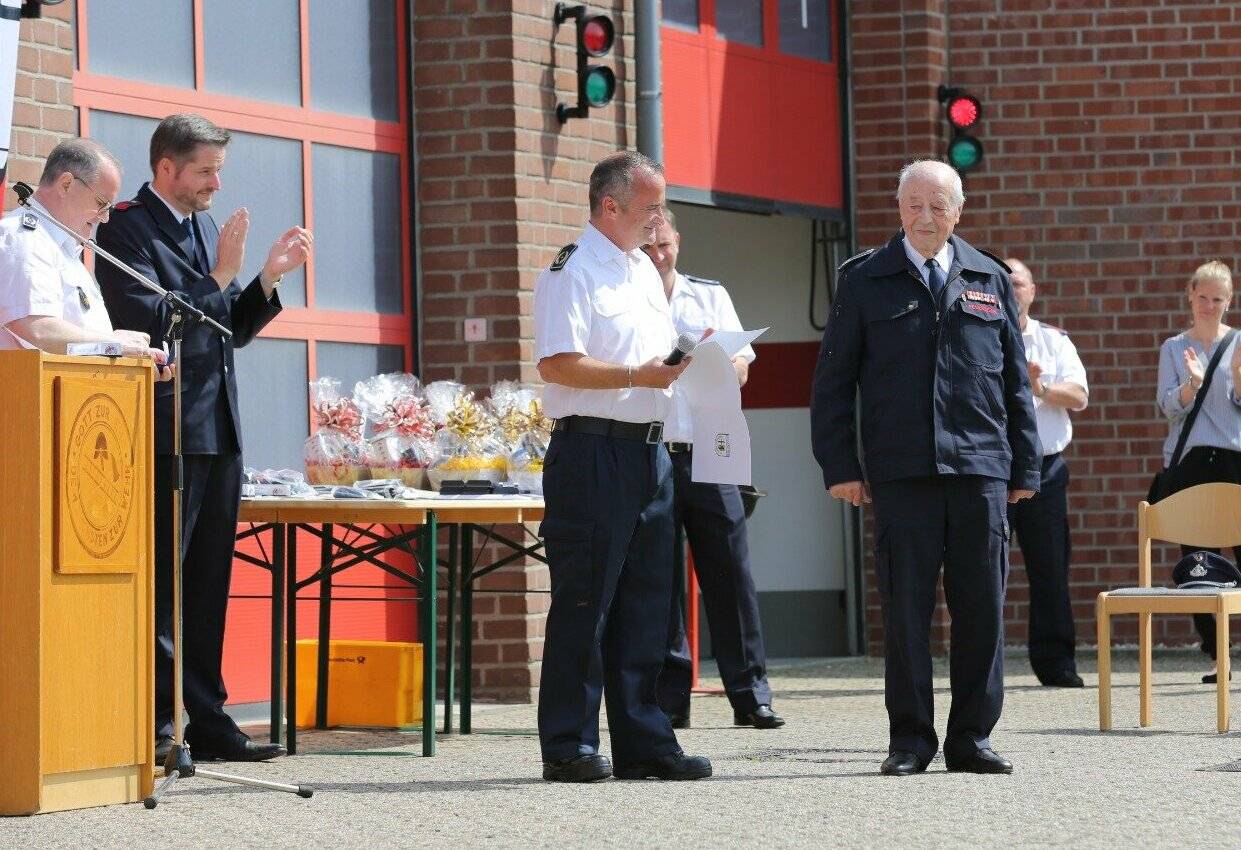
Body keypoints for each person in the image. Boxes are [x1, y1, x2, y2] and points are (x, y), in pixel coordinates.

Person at [810, 159, 1041, 776]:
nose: (925, 217)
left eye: (938, 205)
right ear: (899, 208)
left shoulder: (988, 276)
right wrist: (840, 465)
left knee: (982, 610)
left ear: (957, 212)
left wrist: (1025, 467)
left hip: (979, 471)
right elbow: (833, 383)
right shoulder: (864, 281)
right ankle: (910, 740)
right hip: (901, 473)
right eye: (914, 204)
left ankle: (972, 738)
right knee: (907, 611)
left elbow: (1016, 385)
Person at [96, 113, 313, 763]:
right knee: (165, 587)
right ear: (167, 169)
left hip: (217, 429)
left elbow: (226, 331)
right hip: (167, 433)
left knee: (209, 584)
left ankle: (210, 721)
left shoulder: (205, 229)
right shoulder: (127, 226)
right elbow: (152, 320)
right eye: (206, 171)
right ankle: (160, 728)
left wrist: (265, 279)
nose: (217, 183)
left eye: (219, 170)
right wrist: (220, 275)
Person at [534, 151, 711, 783]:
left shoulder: (641, 270)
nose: (658, 219)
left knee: (647, 604)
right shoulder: (572, 270)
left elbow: (650, 360)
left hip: (650, 450)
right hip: (592, 451)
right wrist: (641, 375)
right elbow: (557, 364)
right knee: (585, 602)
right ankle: (569, 745)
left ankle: (644, 740)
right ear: (610, 206)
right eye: (649, 206)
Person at [641, 210, 783, 730]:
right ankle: (669, 698)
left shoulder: (708, 294)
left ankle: (751, 695)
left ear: (677, 240)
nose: (657, 256)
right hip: (653, 447)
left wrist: (726, 367)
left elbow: (743, 362)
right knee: (660, 576)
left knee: (730, 570)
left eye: (664, 245)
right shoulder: (626, 298)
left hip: (710, 446)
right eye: (648, 247)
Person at [0, 137, 169, 375]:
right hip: (26, 403)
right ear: (66, 184)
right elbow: (38, 329)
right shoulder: (25, 237)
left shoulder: (65, 249)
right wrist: (116, 345)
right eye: (101, 203)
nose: (105, 217)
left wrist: (131, 363)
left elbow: (76, 346)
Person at [1155, 260, 1241, 684]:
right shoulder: (1174, 347)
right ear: (1190, 295)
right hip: (1190, 462)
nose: (1209, 305)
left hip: (1235, 459)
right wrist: (1191, 384)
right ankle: (1216, 655)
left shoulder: (1240, 344)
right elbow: (1168, 406)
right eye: (1202, 297)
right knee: (1199, 563)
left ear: (1230, 301)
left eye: (1218, 299)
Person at [1005, 258, 1088, 688]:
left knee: (1051, 569)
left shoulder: (1053, 341)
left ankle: (1056, 665)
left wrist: (1041, 388)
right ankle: (981, 670)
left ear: (1032, 291)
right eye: (1004, 282)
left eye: (1017, 282)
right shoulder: (978, 337)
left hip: (1045, 470)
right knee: (981, 572)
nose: (1012, 289)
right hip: (995, 472)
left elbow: (1078, 395)